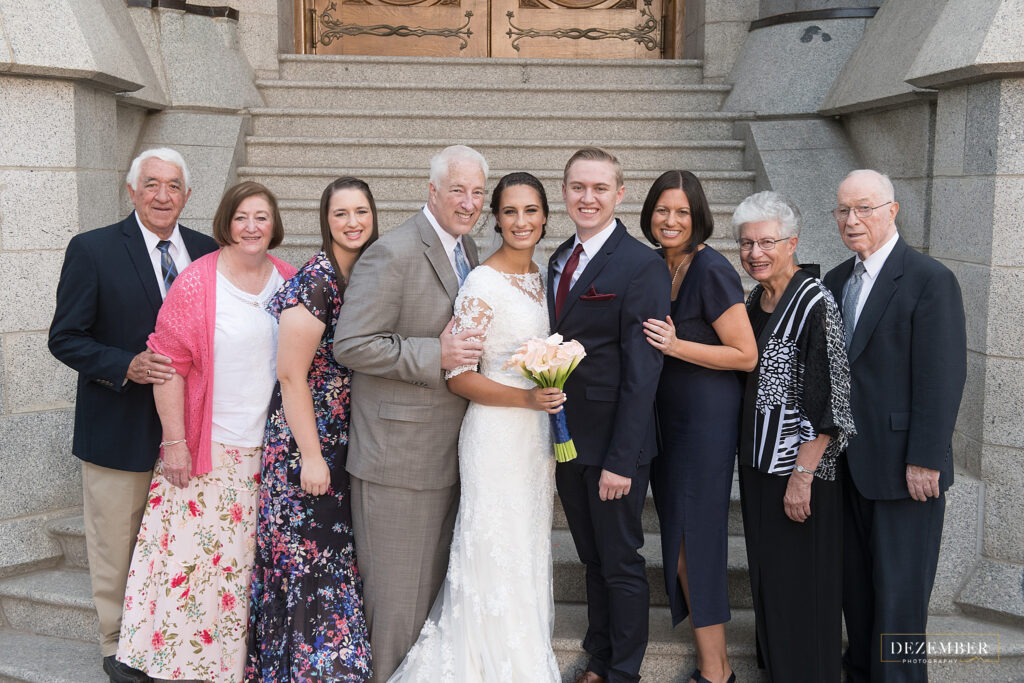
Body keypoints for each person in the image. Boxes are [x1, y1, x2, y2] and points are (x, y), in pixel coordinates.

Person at [48, 148, 218, 683]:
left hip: (191, 431)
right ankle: (116, 644)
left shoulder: (208, 250)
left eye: (173, 186)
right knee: (115, 539)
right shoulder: (92, 249)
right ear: (131, 191)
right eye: (151, 185)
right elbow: (65, 337)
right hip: (117, 424)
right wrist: (126, 365)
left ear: (187, 196)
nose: (162, 195)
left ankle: (167, 635)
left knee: (181, 541)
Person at [116, 182, 297, 683]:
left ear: (274, 225)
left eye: (262, 217)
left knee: (242, 570)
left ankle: (230, 668)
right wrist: (175, 442)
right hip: (206, 448)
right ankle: (182, 666)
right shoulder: (197, 281)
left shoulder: (289, 280)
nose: (252, 227)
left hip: (267, 452)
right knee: (193, 565)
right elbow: (169, 365)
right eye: (242, 217)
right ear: (226, 223)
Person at [389, 172, 565, 681]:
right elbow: (459, 375)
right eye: (510, 212)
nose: (521, 222)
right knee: (494, 542)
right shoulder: (483, 282)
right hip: (495, 433)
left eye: (530, 211)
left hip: (534, 440)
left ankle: (523, 647)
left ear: (545, 216)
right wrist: (527, 397)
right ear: (496, 219)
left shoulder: (542, 278)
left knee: (525, 543)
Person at [333, 145, 488, 681]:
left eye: (476, 192)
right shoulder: (394, 251)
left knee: (429, 600)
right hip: (396, 460)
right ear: (432, 191)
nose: (468, 203)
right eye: (457, 190)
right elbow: (350, 344)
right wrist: (433, 353)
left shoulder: (470, 249)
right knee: (397, 606)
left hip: (449, 451)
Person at [822, 170, 966, 683]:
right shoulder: (836, 280)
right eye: (843, 210)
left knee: (900, 609)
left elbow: (942, 376)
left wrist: (925, 456)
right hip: (847, 471)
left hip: (907, 472)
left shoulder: (929, 279)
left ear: (892, 210)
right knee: (857, 603)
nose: (852, 220)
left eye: (863, 208)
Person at [246, 177, 379, 681]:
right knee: (307, 560)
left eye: (361, 211)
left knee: (331, 559)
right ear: (326, 220)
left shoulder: (363, 274)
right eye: (341, 213)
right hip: (305, 445)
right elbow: (289, 374)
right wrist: (312, 455)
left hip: (342, 441)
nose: (352, 222)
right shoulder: (316, 280)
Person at [548, 147, 670, 683]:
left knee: (620, 563)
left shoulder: (641, 263)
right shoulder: (557, 258)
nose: (588, 197)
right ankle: (598, 656)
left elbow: (643, 373)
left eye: (600, 188)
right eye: (578, 187)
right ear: (565, 192)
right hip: (567, 439)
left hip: (616, 447)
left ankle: (623, 671)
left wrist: (622, 460)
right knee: (591, 560)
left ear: (620, 194)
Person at [639, 171, 756, 683]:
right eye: (663, 210)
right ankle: (718, 667)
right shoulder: (658, 265)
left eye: (682, 212)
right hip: (667, 420)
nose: (671, 220)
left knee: (694, 544)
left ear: (698, 216)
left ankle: (716, 672)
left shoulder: (711, 268)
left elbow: (745, 354)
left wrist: (676, 345)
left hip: (703, 424)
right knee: (681, 540)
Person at [734, 190, 855, 682]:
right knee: (772, 583)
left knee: (801, 588)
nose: (755, 253)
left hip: (799, 473)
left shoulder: (814, 302)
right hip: (761, 466)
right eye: (745, 244)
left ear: (793, 243)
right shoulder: (756, 299)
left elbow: (832, 402)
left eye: (767, 242)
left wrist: (803, 476)